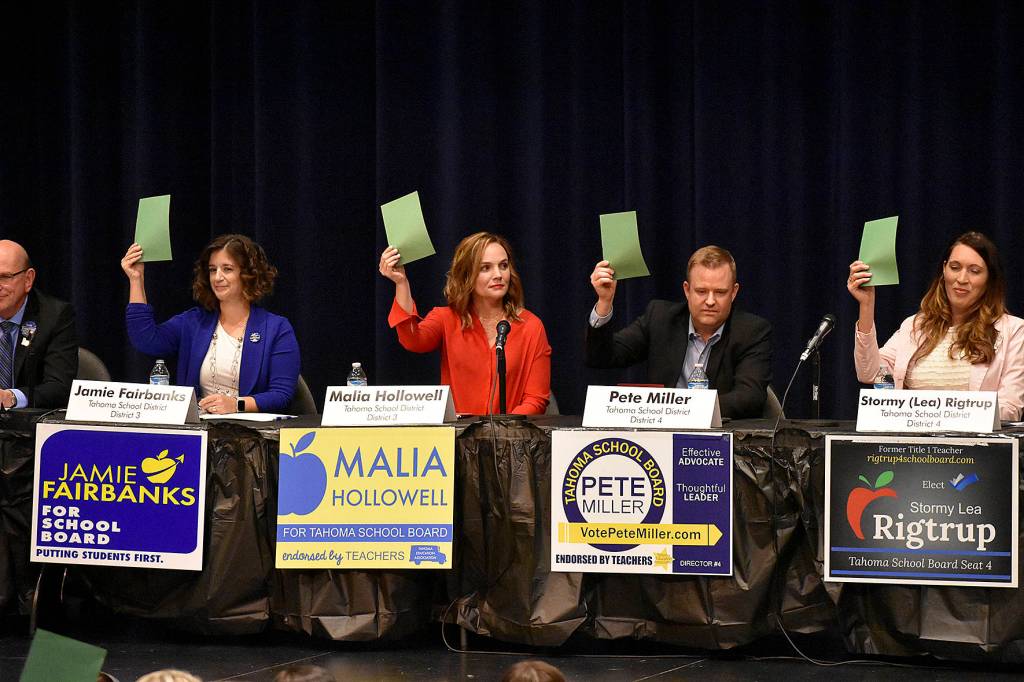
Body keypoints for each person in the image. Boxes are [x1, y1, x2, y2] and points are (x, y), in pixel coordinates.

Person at [849, 231, 1024, 421]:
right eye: (955, 267)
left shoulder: (1013, 330)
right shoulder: (915, 326)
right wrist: (866, 305)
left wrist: (940, 414)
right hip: (909, 447)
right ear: (944, 270)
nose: (962, 279)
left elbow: (1010, 409)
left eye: (974, 271)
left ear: (989, 279)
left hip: (973, 449)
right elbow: (870, 373)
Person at [585, 245, 772, 419]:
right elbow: (601, 357)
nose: (710, 301)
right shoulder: (660, 318)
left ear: (734, 293)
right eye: (701, 291)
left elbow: (750, 397)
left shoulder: (752, 331)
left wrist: (685, 410)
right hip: (661, 440)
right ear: (687, 290)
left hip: (719, 442)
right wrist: (604, 302)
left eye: (720, 292)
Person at [121, 234, 299, 414]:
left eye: (227, 269)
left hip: (251, 436)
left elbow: (281, 395)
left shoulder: (276, 328)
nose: (217, 277)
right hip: (200, 431)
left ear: (248, 275)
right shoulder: (194, 322)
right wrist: (136, 280)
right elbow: (146, 340)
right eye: (213, 270)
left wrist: (236, 405)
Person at [379, 232, 551, 415]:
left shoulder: (531, 326)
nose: (498, 275)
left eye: (503, 266)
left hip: (511, 438)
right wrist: (401, 283)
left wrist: (502, 431)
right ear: (467, 274)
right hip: (457, 440)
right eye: (486, 268)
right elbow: (412, 340)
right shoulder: (446, 319)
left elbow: (536, 399)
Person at [0, 239, 77, 409]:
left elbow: (60, 387)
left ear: (28, 279)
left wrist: (11, 397)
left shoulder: (54, 316)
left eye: (5, 277)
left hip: (27, 429)